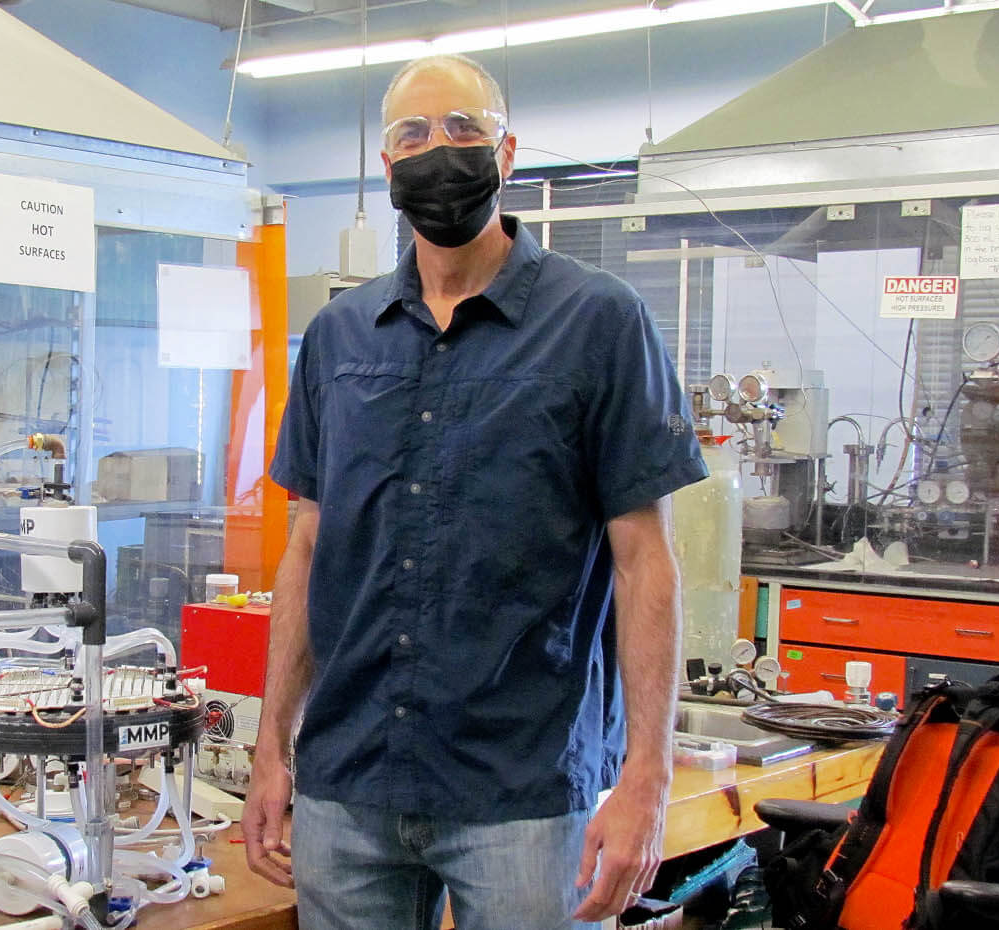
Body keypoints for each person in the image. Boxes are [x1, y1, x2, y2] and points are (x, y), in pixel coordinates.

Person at [242, 53, 708, 930]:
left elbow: (646, 561)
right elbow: (307, 544)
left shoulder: (598, 322)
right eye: (411, 136)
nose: (437, 151)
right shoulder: (341, 336)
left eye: (463, 129)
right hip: (350, 781)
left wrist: (648, 772)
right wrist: (273, 745)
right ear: (386, 168)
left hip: (524, 791)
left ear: (509, 151)